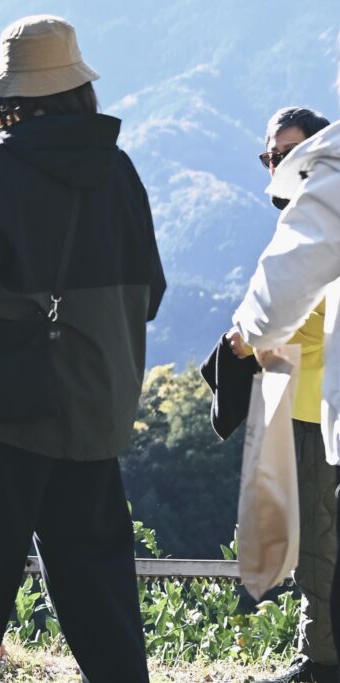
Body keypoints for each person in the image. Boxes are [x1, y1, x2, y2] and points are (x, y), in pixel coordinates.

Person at [0, 15, 165, 683]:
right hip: (96, 401)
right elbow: (150, 290)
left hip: (2, 398)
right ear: (78, 87)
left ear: (9, 95)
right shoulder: (121, 173)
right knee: (98, 576)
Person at [231, 98, 340, 678]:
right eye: (269, 156)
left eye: (287, 153)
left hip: (316, 406)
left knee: (319, 541)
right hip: (302, 402)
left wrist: (246, 338)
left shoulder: (321, 218)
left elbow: (305, 318)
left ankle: (318, 659)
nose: (276, 165)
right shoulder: (305, 214)